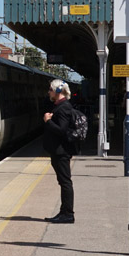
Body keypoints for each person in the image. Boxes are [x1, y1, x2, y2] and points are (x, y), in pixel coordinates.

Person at [42, 79, 77, 224]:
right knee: (63, 182)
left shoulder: (63, 108)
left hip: (61, 151)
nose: (48, 92)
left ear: (58, 91)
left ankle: (68, 213)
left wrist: (48, 121)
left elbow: (62, 130)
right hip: (59, 151)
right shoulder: (62, 106)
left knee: (65, 182)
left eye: (50, 89)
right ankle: (64, 212)